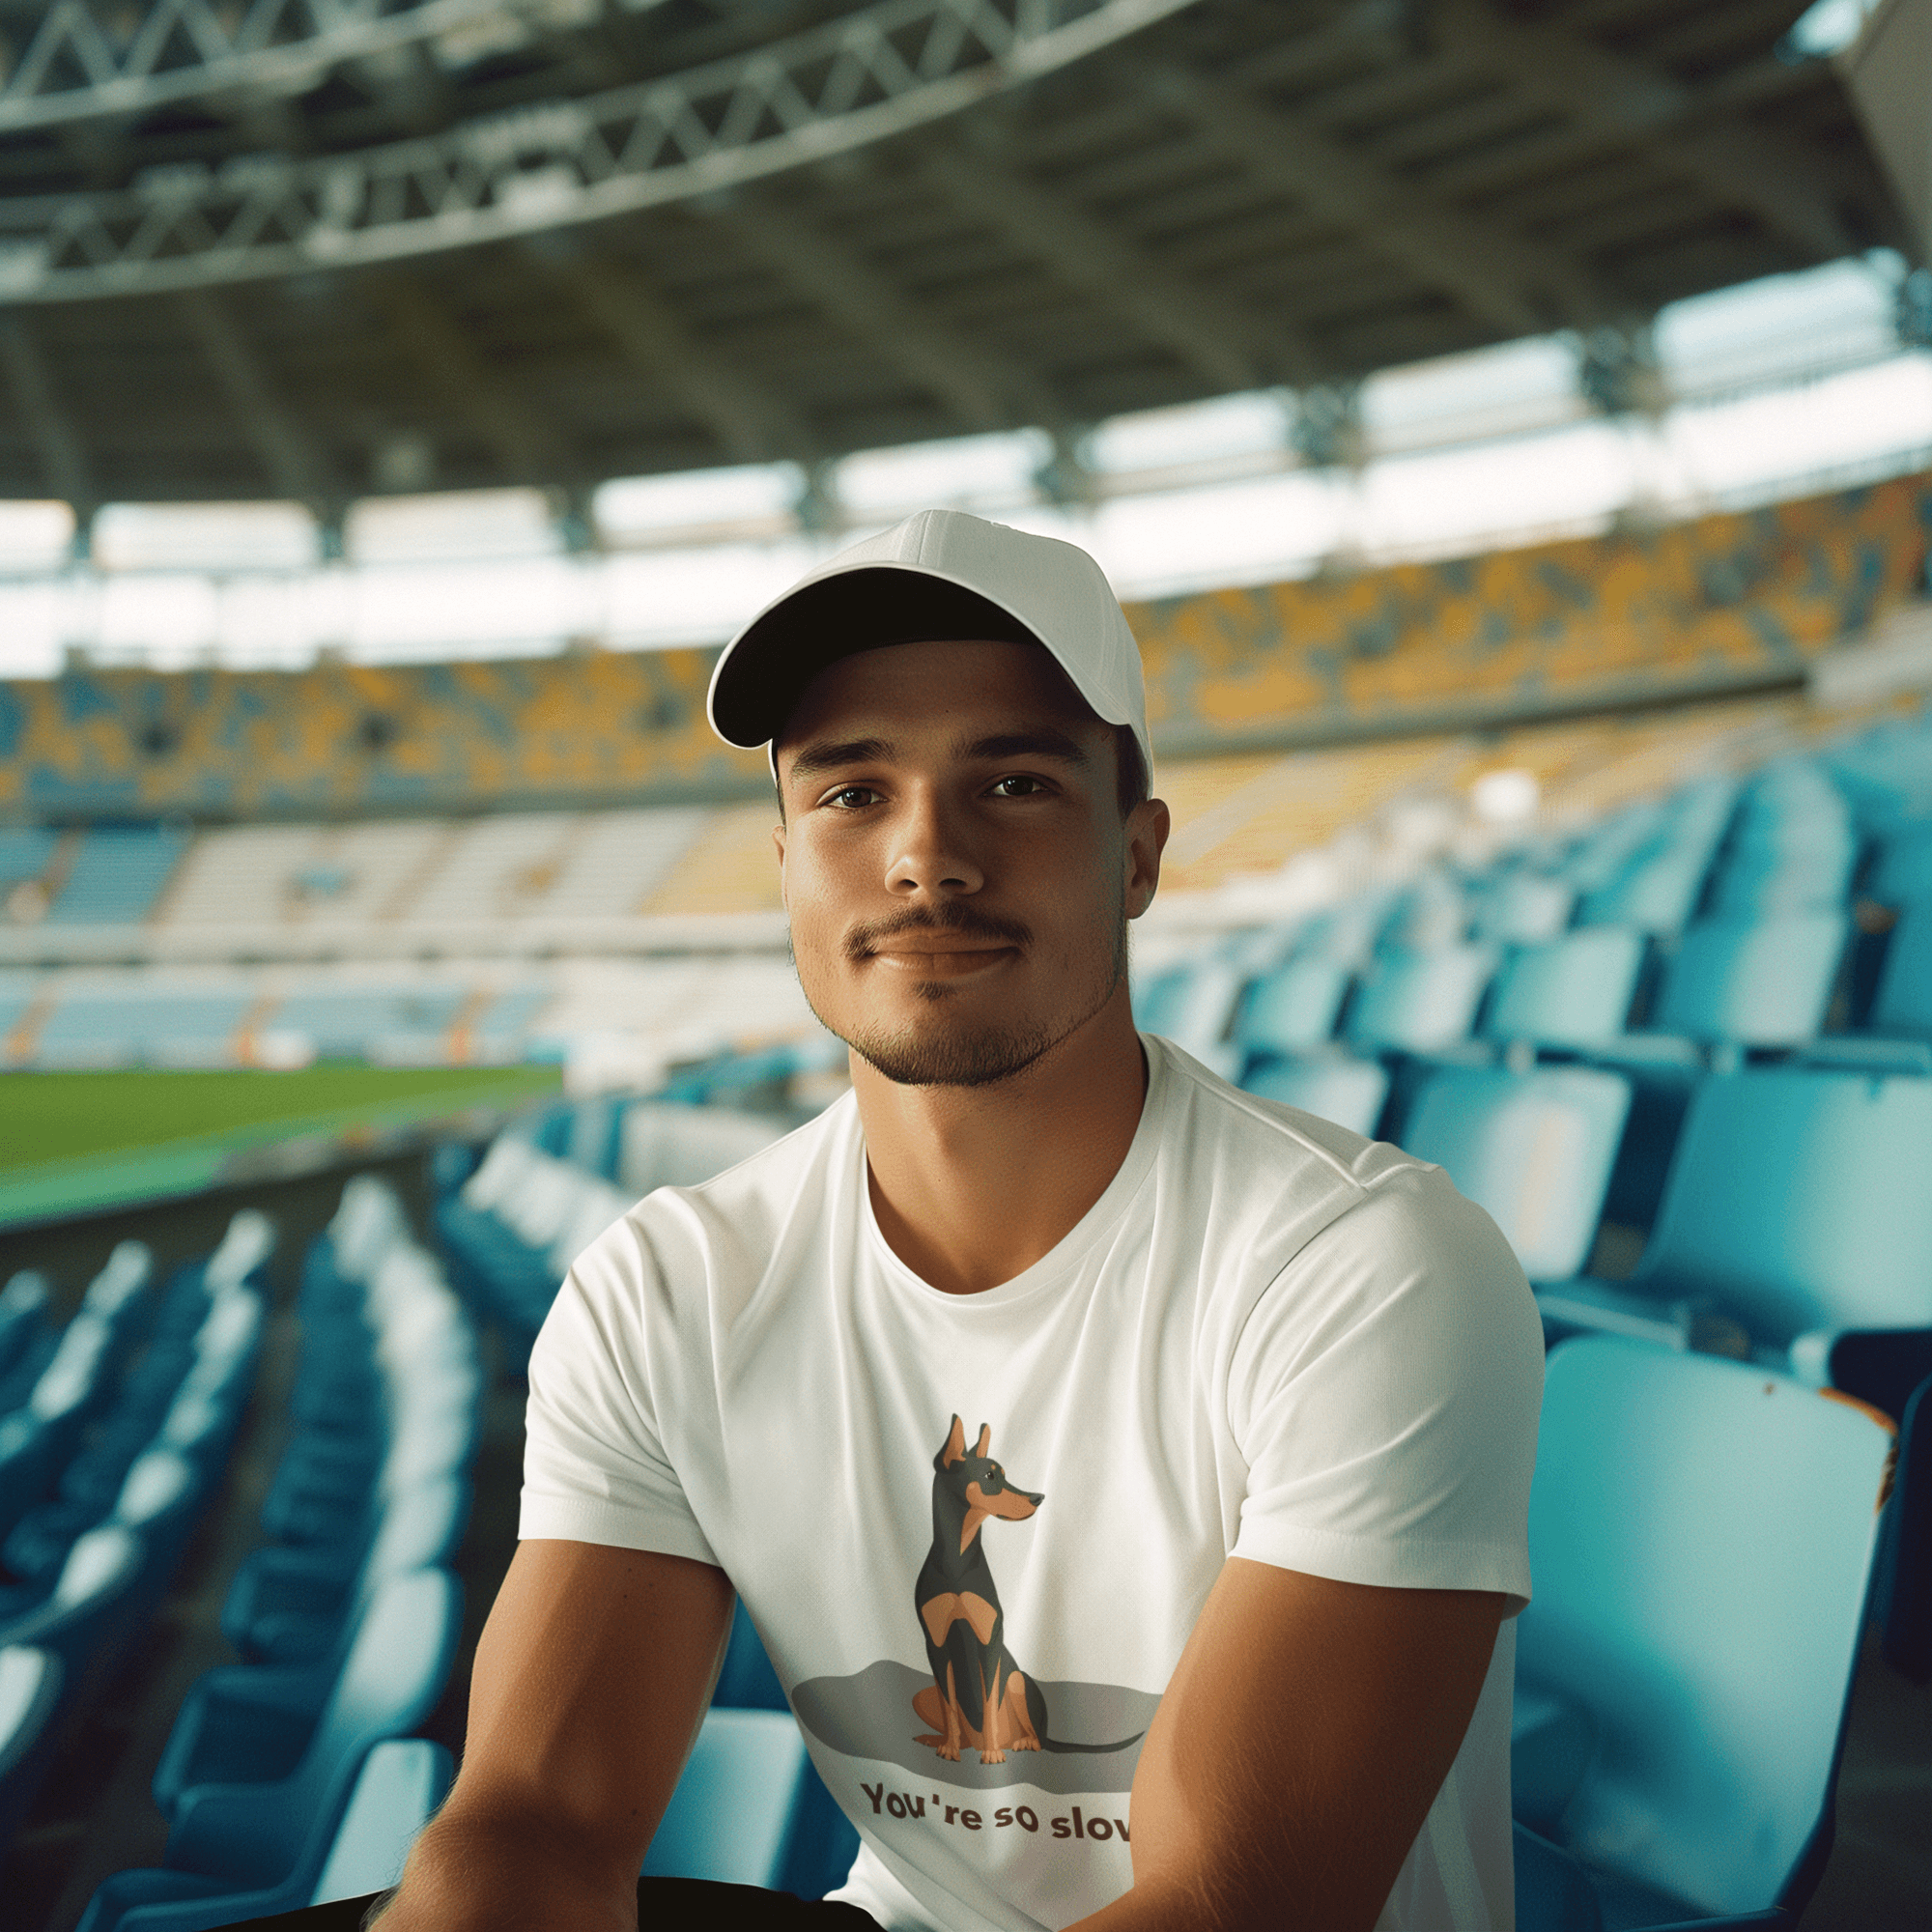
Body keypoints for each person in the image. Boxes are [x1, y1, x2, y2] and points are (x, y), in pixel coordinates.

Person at [364, 508, 1543, 1932]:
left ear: (1139, 855)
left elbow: (1235, 1899)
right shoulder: (666, 1288)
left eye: (1020, 784)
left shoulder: (1368, 1268)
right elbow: (534, 1822)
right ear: (786, 861)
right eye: (854, 794)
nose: (928, 857)